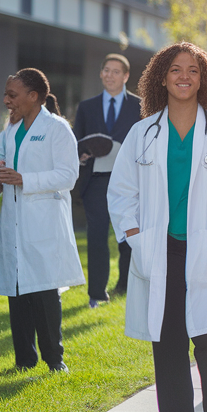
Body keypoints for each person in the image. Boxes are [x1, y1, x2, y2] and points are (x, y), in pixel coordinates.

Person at [108, 43, 207, 412]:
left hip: (205, 248)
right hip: (160, 249)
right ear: (161, 78)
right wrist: (136, 236)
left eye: (192, 70)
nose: (183, 76)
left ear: (204, 79)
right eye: (175, 70)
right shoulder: (143, 132)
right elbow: (122, 193)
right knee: (167, 346)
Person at [0, 69, 84, 372]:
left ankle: (55, 360)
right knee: (17, 294)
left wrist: (23, 179)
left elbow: (68, 175)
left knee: (44, 293)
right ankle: (24, 360)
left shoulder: (56, 128)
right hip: (13, 220)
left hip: (43, 222)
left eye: (12, 95)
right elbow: (0, 164)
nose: (6, 100)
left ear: (33, 96)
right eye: (6, 94)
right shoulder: (9, 131)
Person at [73, 54, 141, 306]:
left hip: (130, 183)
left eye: (116, 71)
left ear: (125, 76)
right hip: (97, 182)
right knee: (97, 236)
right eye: (106, 70)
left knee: (129, 235)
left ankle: (126, 285)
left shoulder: (140, 107)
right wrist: (81, 154)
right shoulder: (86, 107)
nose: (110, 75)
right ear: (101, 73)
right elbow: (75, 142)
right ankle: (97, 294)